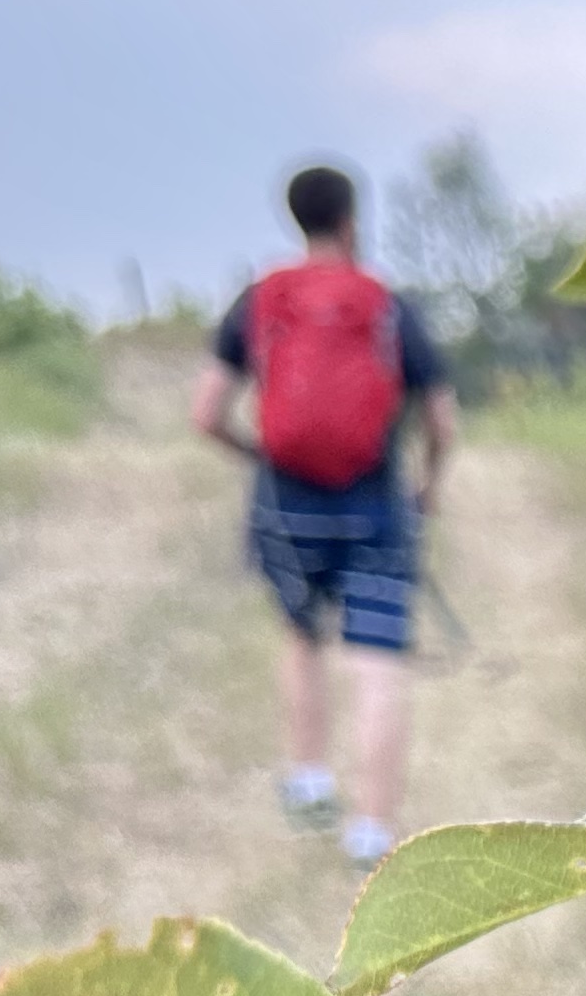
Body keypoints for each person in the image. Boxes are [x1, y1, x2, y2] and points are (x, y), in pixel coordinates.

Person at [189, 165, 457, 866]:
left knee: (302, 635)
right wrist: (428, 483)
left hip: (287, 503)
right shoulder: (387, 305)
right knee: (377, 660)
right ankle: (372, 830)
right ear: (350, 220)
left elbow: (206, 412)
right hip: (374, 504)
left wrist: (260, 455)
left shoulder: (260, 300)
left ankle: (308, 778)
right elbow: (441, 419)